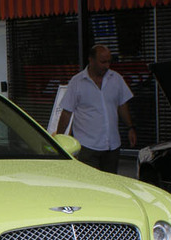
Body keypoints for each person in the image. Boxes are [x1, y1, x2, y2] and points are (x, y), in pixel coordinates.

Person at [56, 44, 137, 173]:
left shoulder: (116, 79)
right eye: (103, 62)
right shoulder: (77, 82)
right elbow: (67, 112)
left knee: (111, 183)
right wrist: (59, 140)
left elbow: (122, 105)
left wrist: (130, 127)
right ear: (91, 60)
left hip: (112, 145)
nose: (107, 66)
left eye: (109, 61)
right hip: (87, 147)